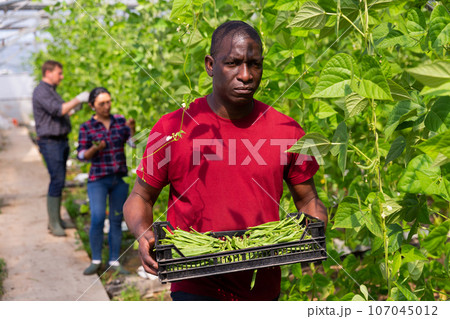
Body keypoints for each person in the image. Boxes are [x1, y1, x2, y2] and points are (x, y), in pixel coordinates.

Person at [123, 21, 328, 301]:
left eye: (254, 64)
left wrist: (315, 228)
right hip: (194, 282)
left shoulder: (287, 131)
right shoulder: (173, 128)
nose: (245, 75)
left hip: (262, 285)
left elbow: (307, 200)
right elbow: (140, 197)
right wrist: (143, 233)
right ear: (210, 65)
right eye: (233, 63)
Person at [77, 87, 135, 275]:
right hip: (98, 179)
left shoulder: (119, 120)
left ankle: (114, 261)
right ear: (92, 106)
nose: (106, 106)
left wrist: (132, 130)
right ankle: (96, 260)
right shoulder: (87, 127)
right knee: (97, 218)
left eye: (108, 101)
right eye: (102, 103)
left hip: (119, 178)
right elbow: (81, 155)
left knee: (116, 219)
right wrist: (95, 149)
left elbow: (132, 143)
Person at [32, 60, 89, 237]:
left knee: (60, 179)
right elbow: (58, 110)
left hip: (59, 141)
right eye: (59, 73)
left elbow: (63, 112)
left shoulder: (51, 91)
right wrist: (78, 98)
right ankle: (53, 223)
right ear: (48, 72)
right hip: (51, 142)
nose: (62, 76)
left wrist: (76, 107)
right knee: (56, 180)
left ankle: (57, 219)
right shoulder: (41, 91)